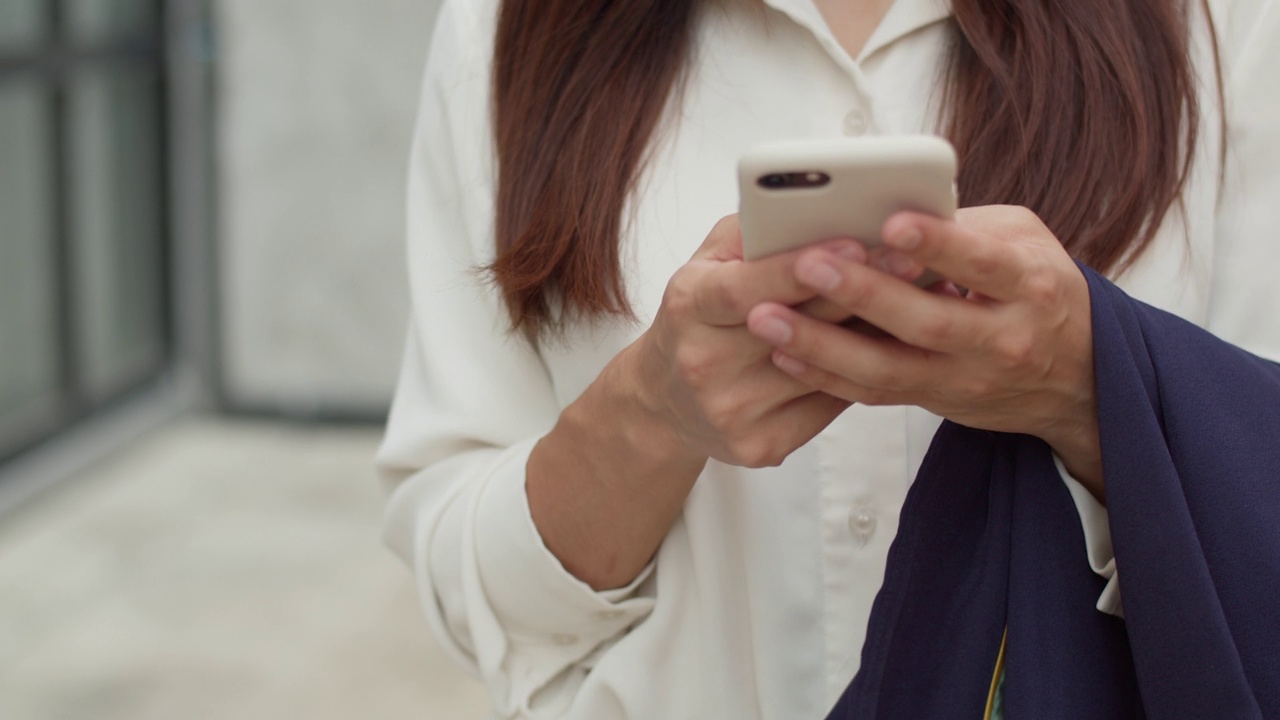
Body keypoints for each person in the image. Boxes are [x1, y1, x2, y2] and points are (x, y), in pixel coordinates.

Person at [375, 0, 1280, 717]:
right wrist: (650, 412)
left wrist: (1092, 391)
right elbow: (471, 590)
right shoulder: (509, 24)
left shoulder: (1219, 22)